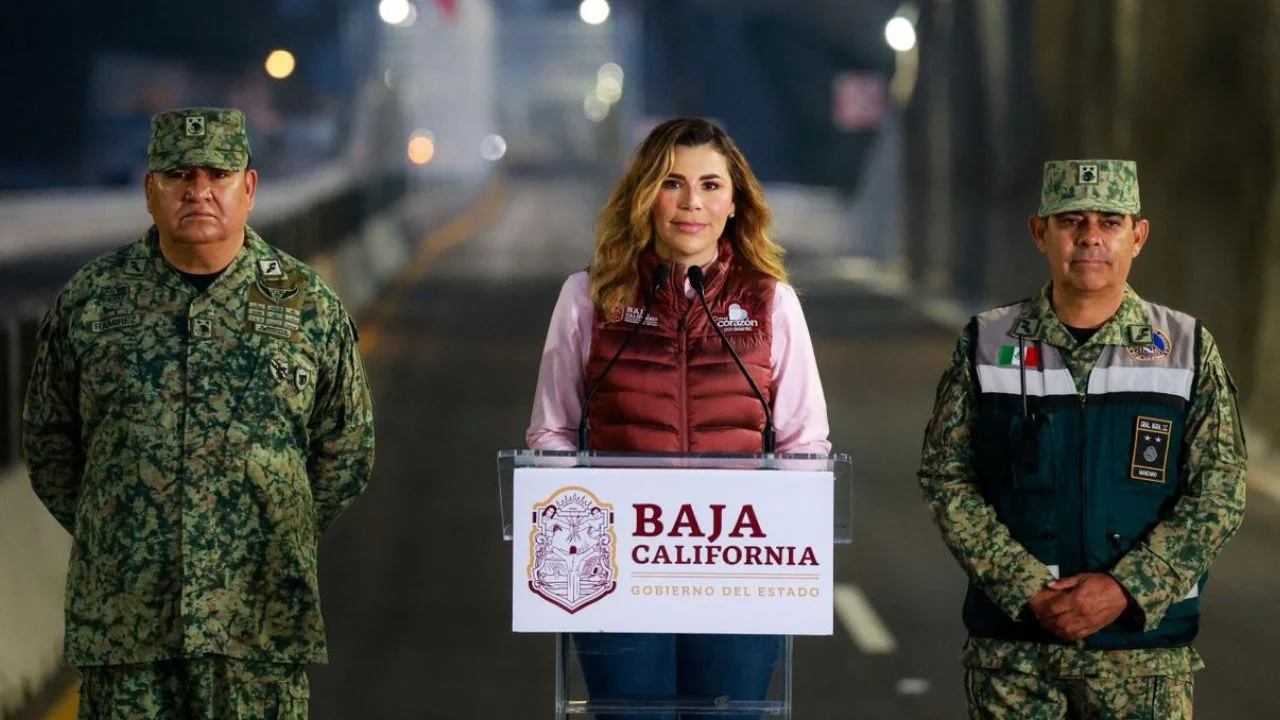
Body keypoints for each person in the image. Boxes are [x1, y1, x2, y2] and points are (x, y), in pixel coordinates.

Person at [22, 107, 375, 719]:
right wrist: (121, 526)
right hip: (127, 627)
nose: (199, 190)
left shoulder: (304, 305)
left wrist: (271, 522)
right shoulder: (93, 300)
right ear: (149, 190)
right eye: (179, 175)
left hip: (258, 623)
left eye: (218, 174)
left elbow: (346, 447)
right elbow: (49, 440)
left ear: (249, 187)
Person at [917, 159, 1247, 718]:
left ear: (1137, 236)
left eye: (1110, 222)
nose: (1091, 236)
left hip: (1144, 663)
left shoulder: (1186, 347)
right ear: (1039, 232)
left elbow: (1220, 489)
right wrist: (1024, 586)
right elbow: (946, 476)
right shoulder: (987, 342)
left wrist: (1125, 588)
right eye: (1071, 220)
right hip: (1014, 663)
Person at [525, 117, 831, 719]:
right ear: (646, 196)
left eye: (711, 185)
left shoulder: (772, 303)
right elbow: (551, 431)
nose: (692, 202)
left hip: (740, 577)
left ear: (735, 203)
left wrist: (782, 537)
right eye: (673, 183)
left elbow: (805, 441)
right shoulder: (589, 298)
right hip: (620, 576)